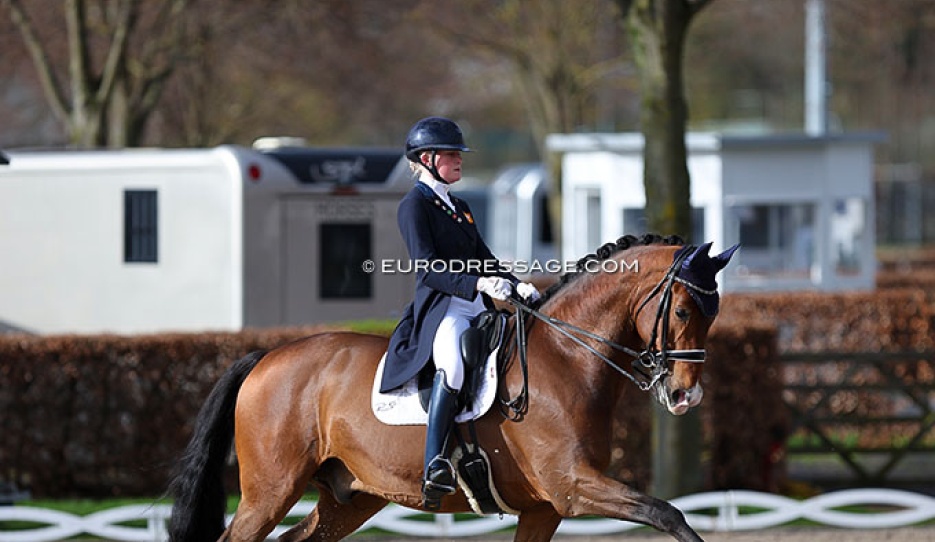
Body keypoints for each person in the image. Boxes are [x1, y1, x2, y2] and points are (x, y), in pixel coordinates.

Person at [380, 116, 540, 509]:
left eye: (459, 154)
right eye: (452, 154)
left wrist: (515, 283)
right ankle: (434, 462)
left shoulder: (459, 206)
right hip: (444, 309)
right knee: (451, 365)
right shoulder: (413, 205)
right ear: (427, 158)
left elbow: (483, 257)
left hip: (476, 306)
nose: (459, 161)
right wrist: (477, 284)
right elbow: (428, 267)